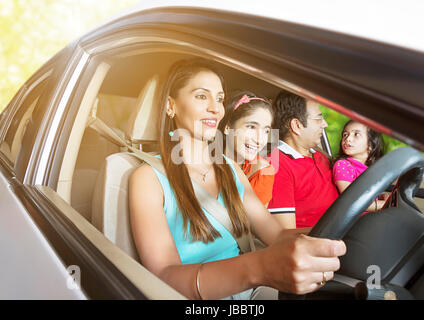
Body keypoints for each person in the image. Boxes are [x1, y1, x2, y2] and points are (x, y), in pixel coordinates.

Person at [128, 59, 346, 300]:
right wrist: (257, 268)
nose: (215, 108)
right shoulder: (147, 178)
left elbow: (276, 235)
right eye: (202, 96)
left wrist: (340, 232)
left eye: (220, 99)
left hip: (253, 292)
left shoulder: (230, 168)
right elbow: (164, 277)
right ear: (171, 106)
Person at [267, 91, 339, 231]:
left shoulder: (320, 155)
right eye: (318, 119)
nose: (325, 124)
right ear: (297, 125)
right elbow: (287, 236)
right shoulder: (276, 166)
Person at [218, 91, 275, 206]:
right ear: (228, 128)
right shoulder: (202, 162)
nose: (259, 140)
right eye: (251, 127)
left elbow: (255, 222)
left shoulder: (262, 172)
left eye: (266, 131)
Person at [333, 120, 386, 212]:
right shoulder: (343, 165)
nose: (348, 139)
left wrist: (382, 196)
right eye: (345, 135)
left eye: (356, 134)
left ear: (371, 144)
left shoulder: (371, 169)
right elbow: (352, 202)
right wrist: (385, 204)